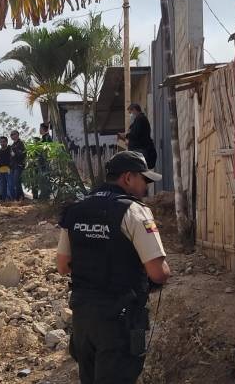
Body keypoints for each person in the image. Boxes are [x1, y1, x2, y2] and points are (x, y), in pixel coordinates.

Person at [57, 151, 170, 384]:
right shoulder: (134, 211)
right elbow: (158, 273)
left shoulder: (75, 209)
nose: (146, 186)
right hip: (120, 321)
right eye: (144, 179)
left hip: (83, 318)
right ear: (128, 178)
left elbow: (62, 265)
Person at [118, 103, 157, 169]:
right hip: (139, 151)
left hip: (141, 151)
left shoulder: (140, 119)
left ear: (134, 110)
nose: (130, 115)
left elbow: (135, 134)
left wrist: (126, 135)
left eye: (130, 112)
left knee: (140, 171)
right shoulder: (138, 120)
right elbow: (134, 134)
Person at [9, 130, 26, 201]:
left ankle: (19, 197)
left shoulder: (21, 144)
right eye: (11, 134)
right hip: (13, 166)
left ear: (17, 135)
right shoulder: (12, 145)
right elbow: (10, 157)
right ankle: (20, 197)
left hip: (19, 166)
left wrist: (15, 154)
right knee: (15, 182)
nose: (12, 135)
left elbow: (23, 154)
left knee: (16, 181)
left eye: (13, 134)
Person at [0, 136, 12, 202]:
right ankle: (4, 200)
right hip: (0, 172)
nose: (2, 143)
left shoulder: (10, 149)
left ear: (7, 142)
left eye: (4, 142)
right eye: (1, 142)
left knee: (10, 186)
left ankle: (12, 200)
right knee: (2, 188)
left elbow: (13, 158)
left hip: (8, 170)